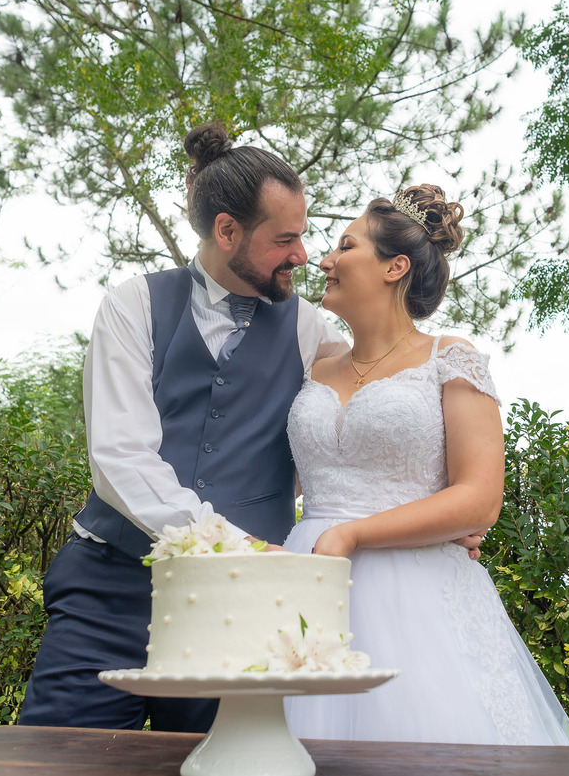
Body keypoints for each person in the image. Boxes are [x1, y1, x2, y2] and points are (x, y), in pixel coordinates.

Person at [18, 123, 351, 731]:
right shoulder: (132, 304)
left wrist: (431, 515)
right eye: (285, 238)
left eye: (302, 236)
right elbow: (120, 456)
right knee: (58, 761)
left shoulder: (316, 333)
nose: (303, 255)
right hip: (109, 593)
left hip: (242, 611)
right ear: (227, 231)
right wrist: (233, 543)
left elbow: (360, 438)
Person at [282, 184, 569, 746]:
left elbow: (479, 499)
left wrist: (350, 534)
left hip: (415, 593)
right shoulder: (315, 365)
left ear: (395, 266)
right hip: (304, 584)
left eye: (345, 247)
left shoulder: (451, 357)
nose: (324, 260)